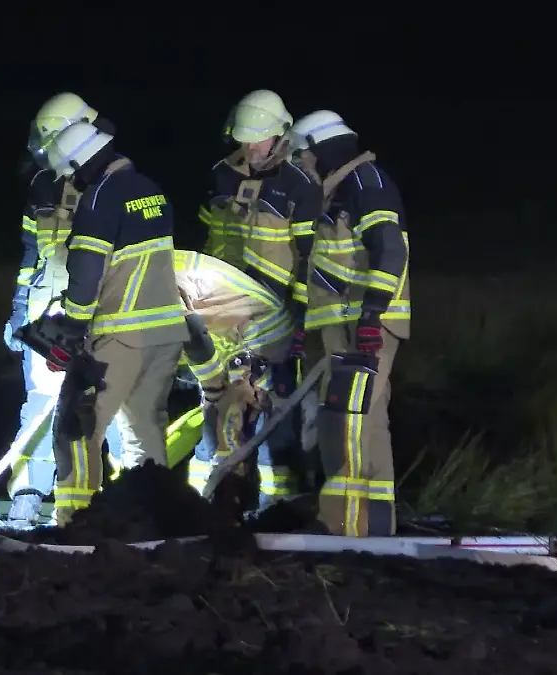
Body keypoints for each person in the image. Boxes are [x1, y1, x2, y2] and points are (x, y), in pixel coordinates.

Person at [37, 121, 189, 526]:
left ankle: (76, 521)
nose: (71, 180)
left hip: (121, 336)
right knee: (145, 429)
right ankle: (151, 522)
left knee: (76, 424)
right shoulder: (152, 190)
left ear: (78, 162)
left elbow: (87, 269)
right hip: (166, 332)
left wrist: (71, 327)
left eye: (71, 172)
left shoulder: (99, 197)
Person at [1, 92, 125, 527]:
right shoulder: (41, 185)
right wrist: (19, 311)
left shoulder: (111, 181)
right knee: (38, 406)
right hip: (44, 312)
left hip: (99, 314)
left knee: (112, 407)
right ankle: (28, 492)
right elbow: (31, 253)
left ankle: (124, 494)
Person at [288, 110, 412, 537]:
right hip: (340, 326)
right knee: (368, 425)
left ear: (318, 150)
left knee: (342, 423)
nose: (300, 165)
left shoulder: (365, 185)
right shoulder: (338, 190)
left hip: (360, 327)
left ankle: (341, 529)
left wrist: (373, 313)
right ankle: (375, 533)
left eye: (301, 155)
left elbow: (390, 251)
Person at [172, 250, 300, 512]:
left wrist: (213, 389)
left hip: (259, 331)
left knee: (229, 414)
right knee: (221, 415)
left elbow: (191, 332)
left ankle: (257, 507)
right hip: (232, 336)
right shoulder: (153, 267)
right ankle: (217, 500)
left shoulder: (160, 280)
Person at [197, 90, 322, 354]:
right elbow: (205, 236)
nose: (250, 146)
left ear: (280, 134)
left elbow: (308, 254)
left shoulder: (299, 183)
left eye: (258, 140)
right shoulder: (221, 174)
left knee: (274, 382)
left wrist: (300, 311)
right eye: (245, 140)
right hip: (219, 298)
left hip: (275, 304)